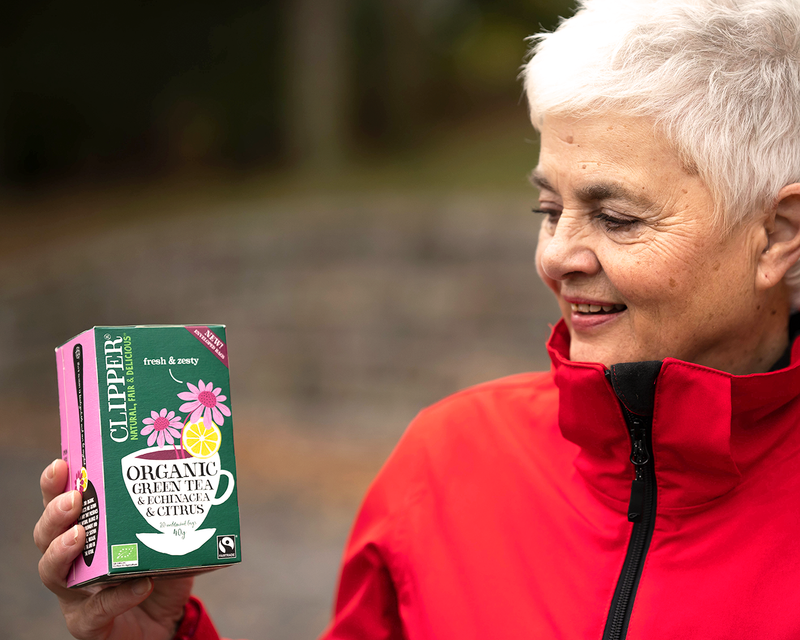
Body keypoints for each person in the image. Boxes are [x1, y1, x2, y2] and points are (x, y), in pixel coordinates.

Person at [34, 0, 800, 637]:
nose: (558, 256)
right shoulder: (445, 463)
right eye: (548, 208)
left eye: (618, 218)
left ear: (776, 236)